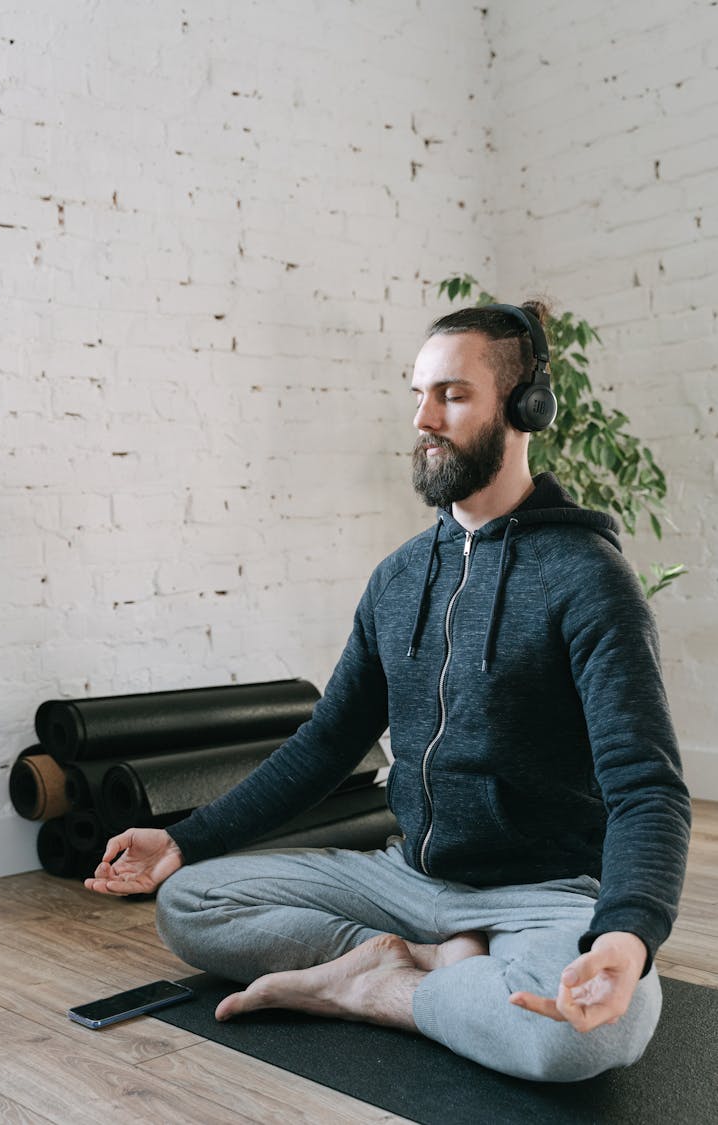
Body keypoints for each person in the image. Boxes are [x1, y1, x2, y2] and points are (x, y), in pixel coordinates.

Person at [85, 302, 691, 1083]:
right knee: (190, 901)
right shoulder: (400, 577)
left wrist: (626, 936)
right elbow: (327, 741)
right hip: (406, 879)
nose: (424, 418)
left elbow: (647, 789)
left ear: (524, 409)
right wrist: (184, 840)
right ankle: (426, 965)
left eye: (452, 395)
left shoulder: (587, 581)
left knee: (582, 1036)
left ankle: (384, 988)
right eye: (418, 394)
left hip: (541, 894)